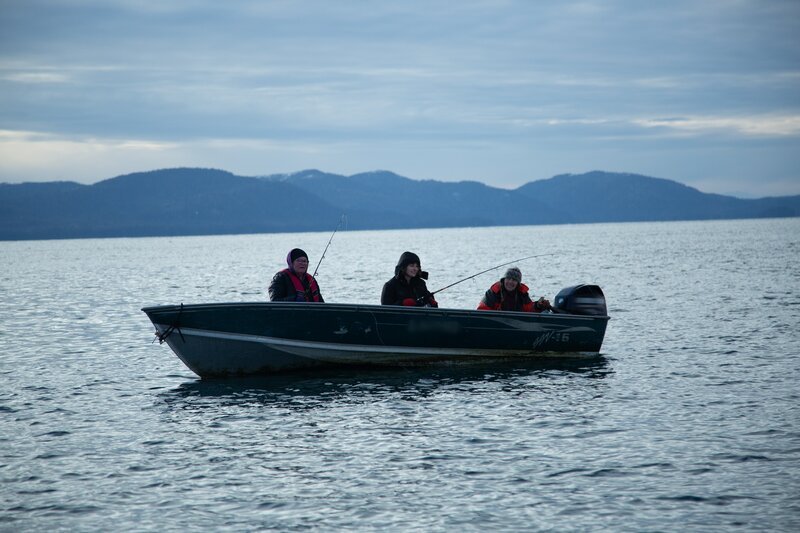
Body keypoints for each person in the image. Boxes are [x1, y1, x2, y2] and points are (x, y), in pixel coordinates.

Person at [477, 267, 550, 312]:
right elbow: (481, 311)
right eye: (508, 278)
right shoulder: (492, 293)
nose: (510, 282)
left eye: (514, 280)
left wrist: (538, 305)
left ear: (518, 283)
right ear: (504, 279)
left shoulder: (522, 293)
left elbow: (529, 309)